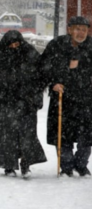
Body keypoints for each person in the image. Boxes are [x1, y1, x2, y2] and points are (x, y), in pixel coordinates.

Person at [0, 30, 47, 178]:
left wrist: (34, 93)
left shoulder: (30, 54)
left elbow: (42, 75)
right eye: (11, 44)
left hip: (25, 102)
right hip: (3, 102)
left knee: (27, 134)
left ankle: (26, 163)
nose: (14, 47)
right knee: (5, 136)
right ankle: (8, 165)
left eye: (17, 44)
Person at [39, 16, 92, 177]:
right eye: (77, 29)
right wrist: (53, 83)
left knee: (87, 135)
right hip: (63, 98)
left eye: (84, 30)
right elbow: (43, 67)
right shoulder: (57, 45)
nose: (81, 33)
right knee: (63, 134)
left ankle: (81, 165)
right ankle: (67, 166)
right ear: (69, 30)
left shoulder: (90, 46)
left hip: (86, 98)